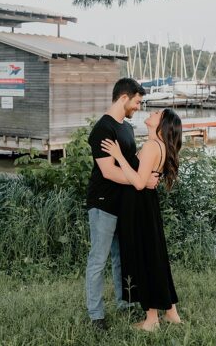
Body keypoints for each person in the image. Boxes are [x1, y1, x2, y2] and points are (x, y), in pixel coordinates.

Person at [84, 78, 159, 331]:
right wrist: (139, 181)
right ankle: (96, 315)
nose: (139, 107)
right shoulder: (103, 129)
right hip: (103, 203)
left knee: (121, 257)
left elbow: (132, 163)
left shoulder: (126, 128)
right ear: (124, 97)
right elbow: (109, 172)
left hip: (125, 204)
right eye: (137, 102)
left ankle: (124, 303)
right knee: (99, 259)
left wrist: (151, 174)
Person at [102, 108, 183, 332]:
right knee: (155, 256)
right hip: (147, 204)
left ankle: (151, 320)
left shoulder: (151, 146)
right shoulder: (159, 146)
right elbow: (143, 178)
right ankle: (171, 313)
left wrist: (118, 156)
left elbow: (138, 182)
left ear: (162, 124)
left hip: (139, 205)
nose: (153, 112)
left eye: (158, 113)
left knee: (144, 257)